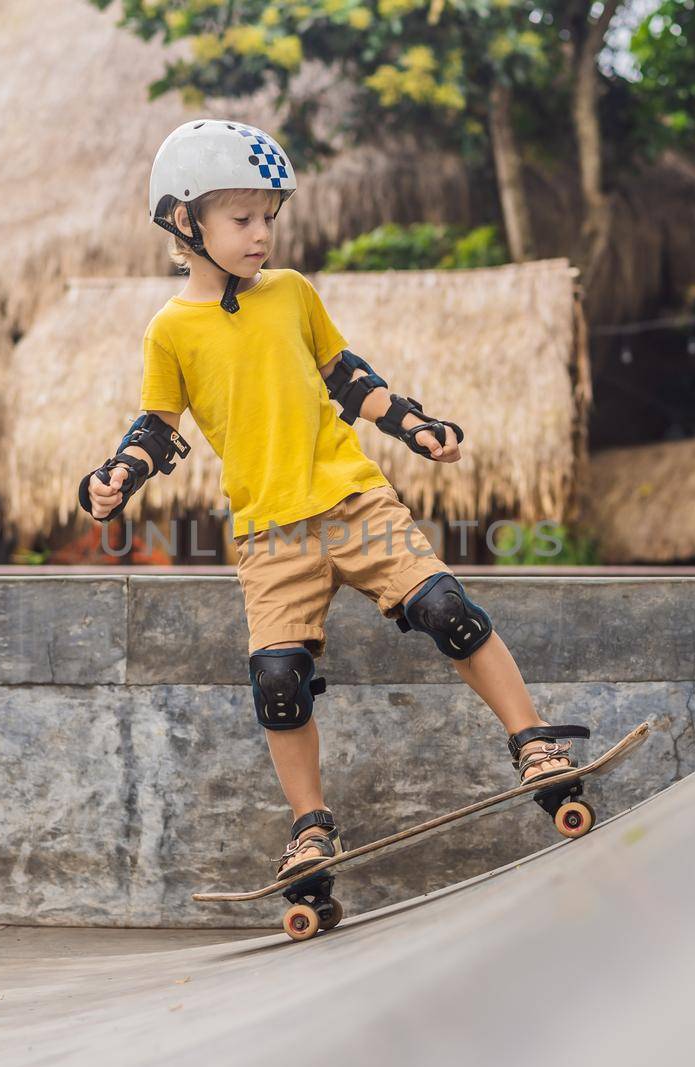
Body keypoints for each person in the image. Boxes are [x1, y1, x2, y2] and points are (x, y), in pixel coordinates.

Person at [79, 119, 594, 883]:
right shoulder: (170, 331)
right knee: (279, 679)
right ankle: (311, 827)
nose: (263, 235)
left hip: (353, 501)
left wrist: (416, 424)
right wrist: (116, 475)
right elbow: (158, 426)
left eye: (268, 218)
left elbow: (349, 378)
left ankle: (533, 742)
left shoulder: (291, 294)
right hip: (269, 532)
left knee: (447, 608)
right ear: (186, 221)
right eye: (242, 219)